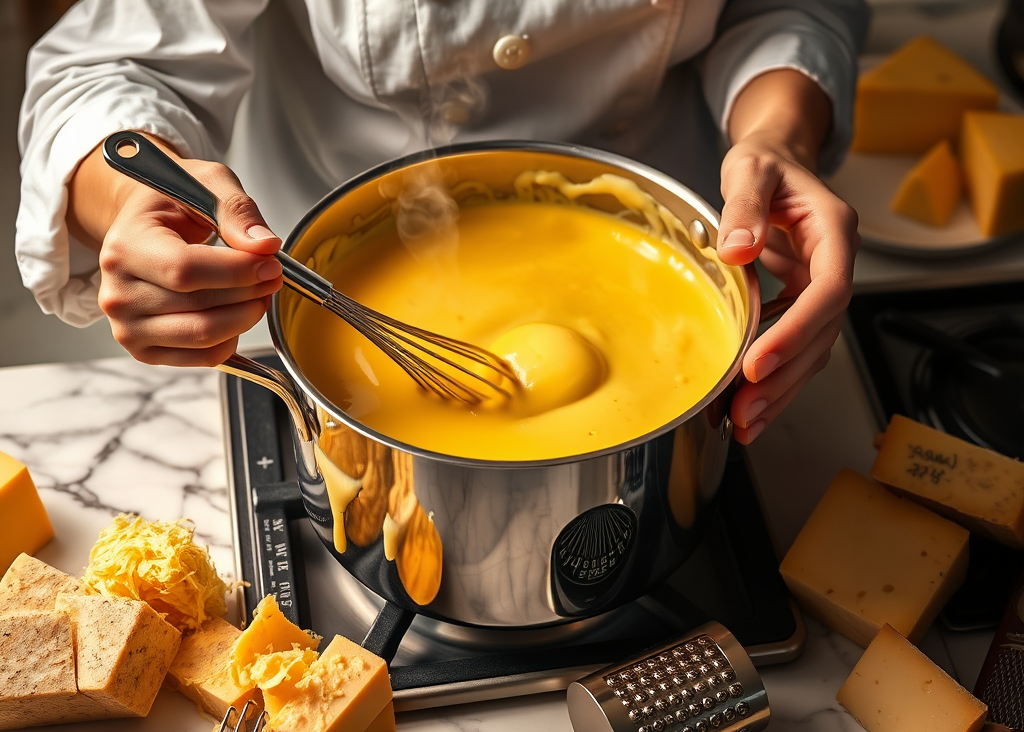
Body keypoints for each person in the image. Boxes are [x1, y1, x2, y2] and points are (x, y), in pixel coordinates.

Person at [17, 0, 868, 445]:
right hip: (308, 237)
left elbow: (787, 6)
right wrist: (129, 201)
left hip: (693, 217)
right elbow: (115, 60)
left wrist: (776, 137)